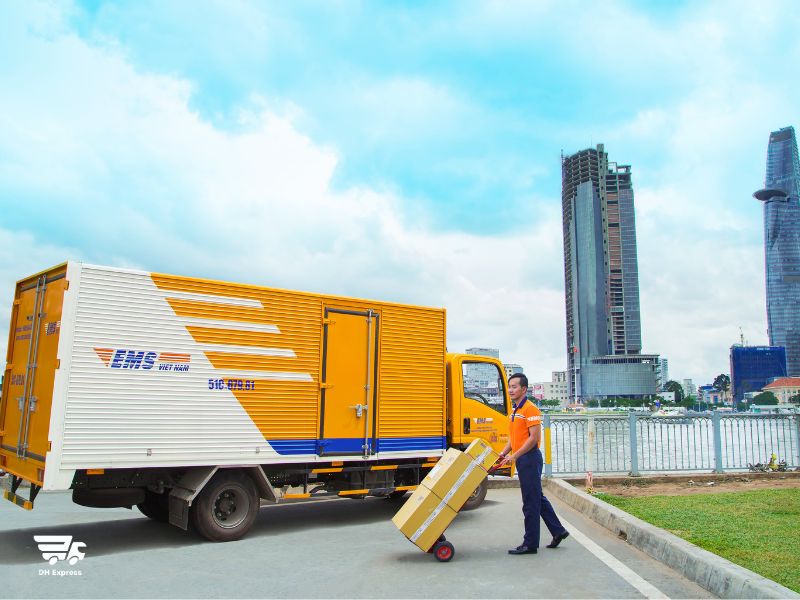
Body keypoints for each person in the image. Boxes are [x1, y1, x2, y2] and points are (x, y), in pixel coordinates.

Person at [497, 373, 569, 555]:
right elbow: (515, 439)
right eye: (509, 386)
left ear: (523, 389)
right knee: (537, 498)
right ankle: (558, 531)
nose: (511, 390)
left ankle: (530, 544)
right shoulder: (515, 410)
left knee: (530, 502)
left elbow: (534, 438)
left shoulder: (530, 409)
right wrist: (503, 453)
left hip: (530, 458)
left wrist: (514, 456)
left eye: (514, 387)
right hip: (522, 458)